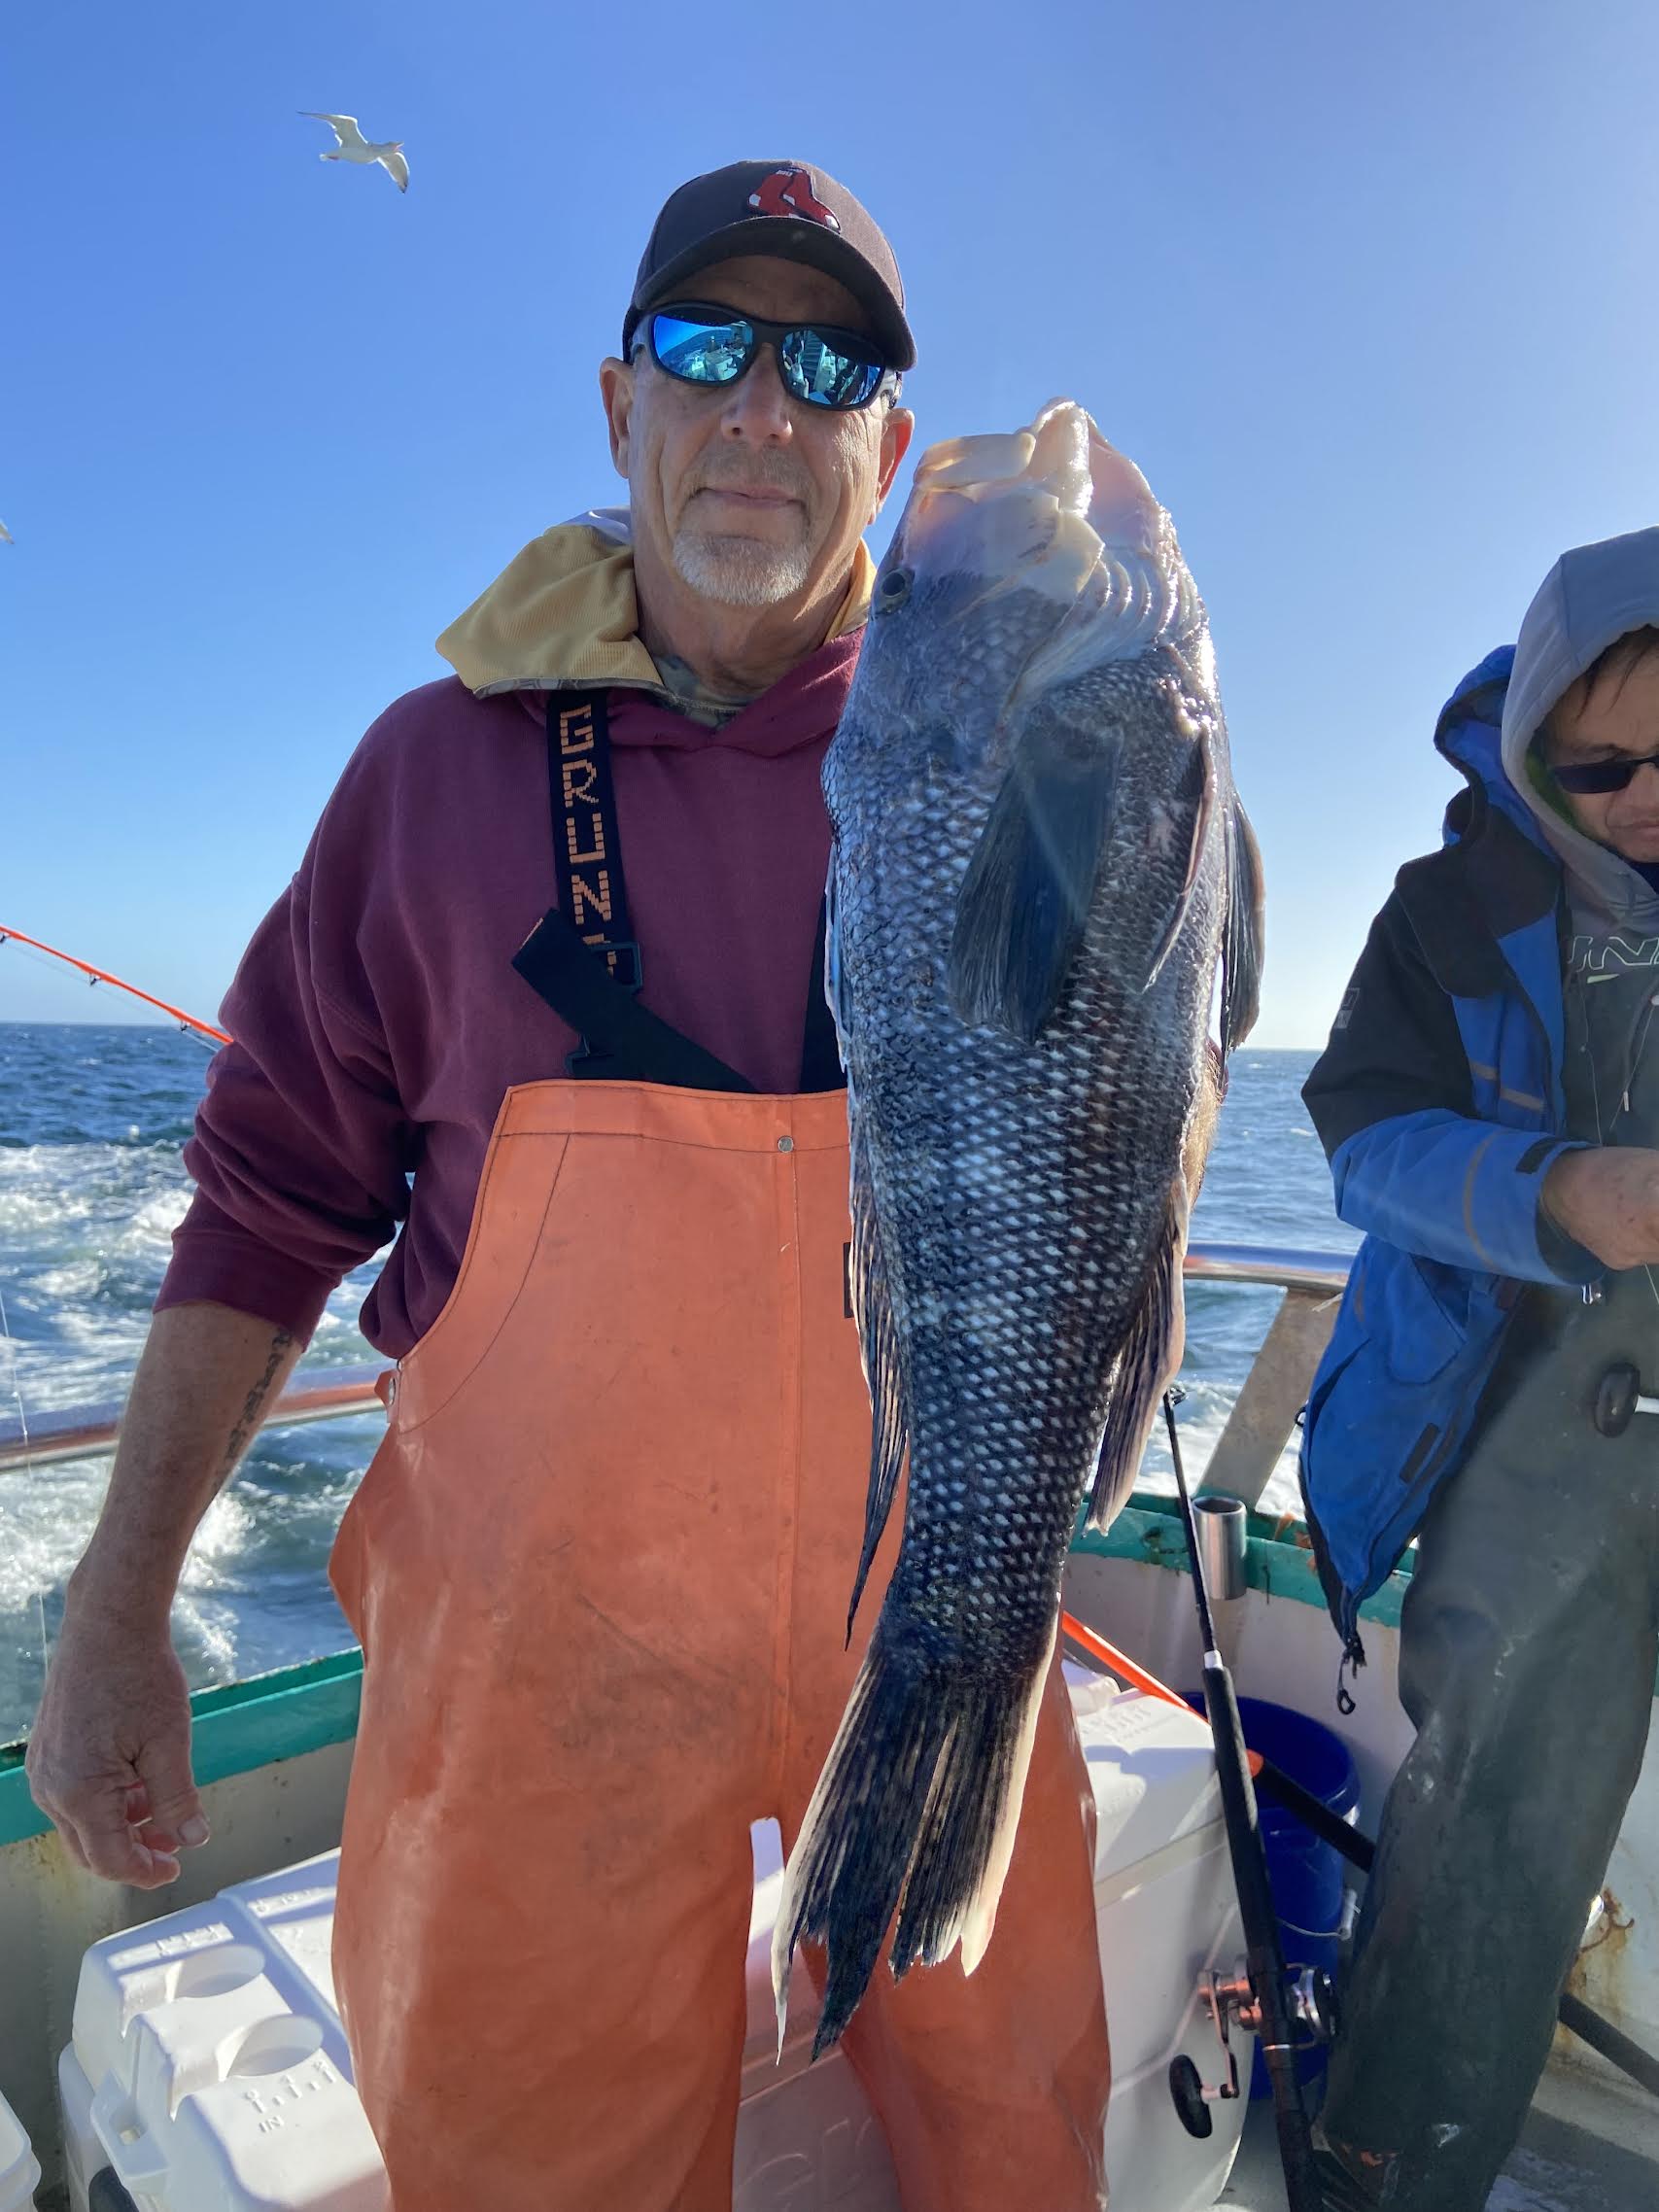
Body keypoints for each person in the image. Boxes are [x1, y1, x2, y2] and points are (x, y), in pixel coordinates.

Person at [23, 161, 1113, 2212]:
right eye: (707, 348)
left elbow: (1119, 1113)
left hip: (940, 1610)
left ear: (886, 439)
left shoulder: (1012, 763)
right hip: (543, 1654)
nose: (761, 409)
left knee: (1016, 2111)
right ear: (617, 406)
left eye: (831, 362)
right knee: (536, 2162)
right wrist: (120, 1600)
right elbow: (263, 1203)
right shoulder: (425, 780)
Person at [1298, 528, 1659, 2208]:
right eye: (1599, 763)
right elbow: (1359, 1138)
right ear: (1532, 747)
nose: (1645, 791)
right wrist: (1557, 1194)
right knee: (1482, 1855)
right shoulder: (1444, 912)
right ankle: (1391, 2166)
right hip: (1525, 1443)